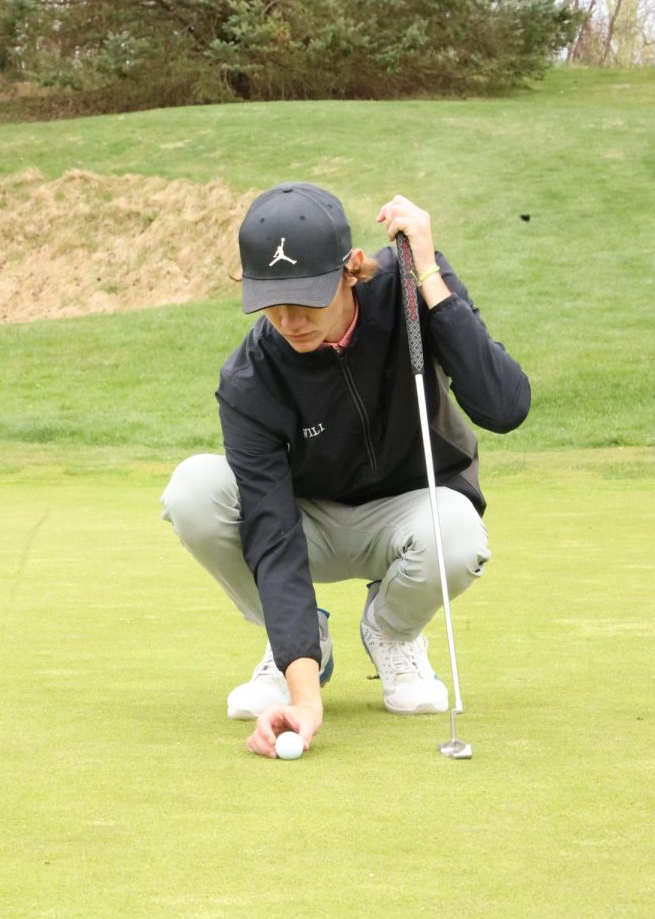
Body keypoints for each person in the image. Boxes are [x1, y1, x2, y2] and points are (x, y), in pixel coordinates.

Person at [162, 184, 530, 758]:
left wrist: (431, 274)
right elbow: (273, 532)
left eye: (306, 298)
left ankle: (391, 631)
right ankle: (301, 647)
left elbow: (504, 408)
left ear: (350, 270)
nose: (289, 320)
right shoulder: (250, 379)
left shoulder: (409, 290)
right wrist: (305, 696)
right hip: (306, 524)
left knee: (457, 533)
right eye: (271, 302)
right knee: (193, 490)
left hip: (409, 514)